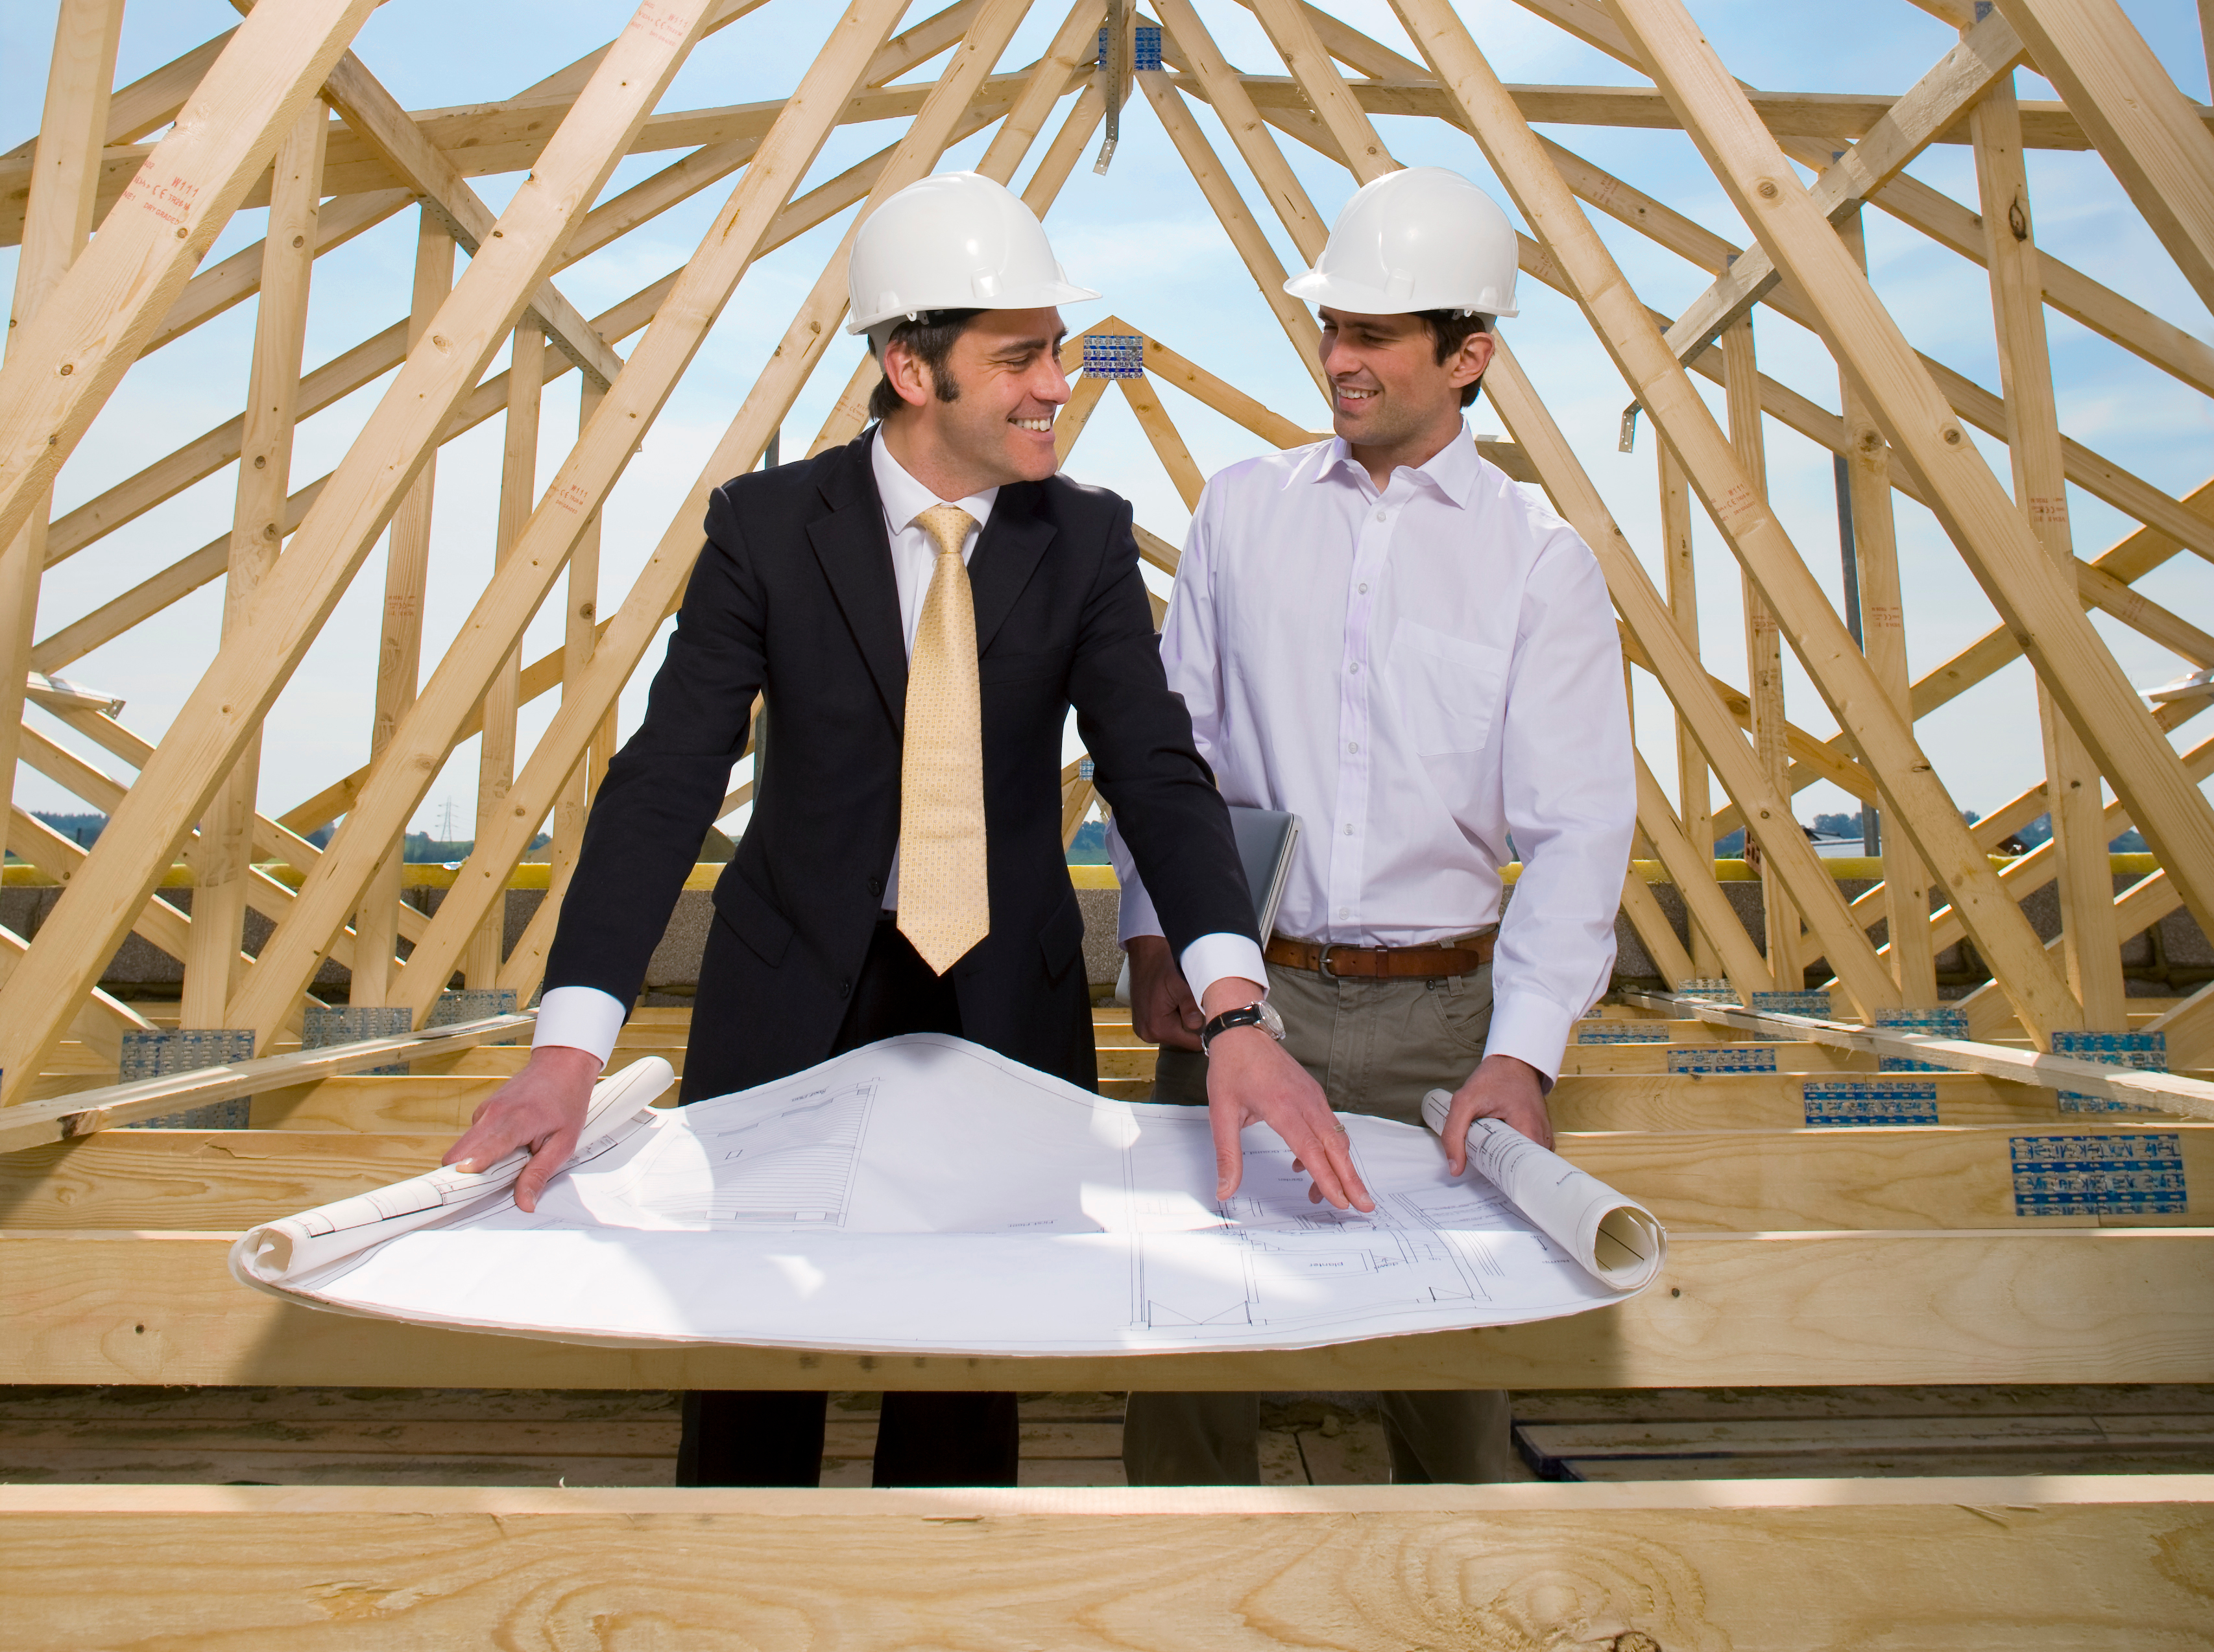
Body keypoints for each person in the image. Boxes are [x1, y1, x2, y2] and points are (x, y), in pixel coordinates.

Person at [444, 169, 1364, 1490]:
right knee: (752, 1378)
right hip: (786, 998)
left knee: (967, 1392)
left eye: (1054, 349)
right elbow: (666, 781)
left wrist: (1237, 1013)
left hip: (1002, 997)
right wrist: (567, 1048)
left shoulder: (1089, 538)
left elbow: (1159, 773)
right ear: (909, 367)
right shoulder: (766, 527)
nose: (1059, 383)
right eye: (1022, 356)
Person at [1114, 166, 1637, 1489]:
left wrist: (1522, 1055)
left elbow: (1578, 828)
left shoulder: (1538, 559)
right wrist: (1156, 935)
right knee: (1189, 1361)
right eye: (1332, 327)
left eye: (1374, 335)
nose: (1339, 360)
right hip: (1255, 996)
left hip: (1446, 1022)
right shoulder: (1242, 513)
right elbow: (1177, 759)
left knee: (1455, 1387)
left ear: (1470, 354)